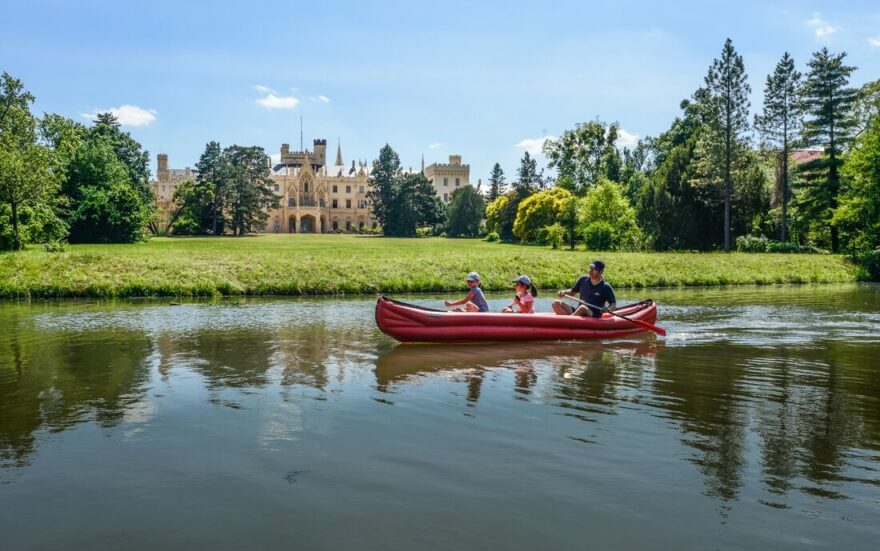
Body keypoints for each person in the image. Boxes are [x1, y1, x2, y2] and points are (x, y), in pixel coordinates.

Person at [552, 260, 616, 317]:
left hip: (593, 314)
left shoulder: (606, 287)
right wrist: (563, 292)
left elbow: (613, 304)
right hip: (578, 311)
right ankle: (569, 323)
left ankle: (569, 323)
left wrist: (608, 309)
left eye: (594, 269)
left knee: (583, 308)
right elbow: (572, 292)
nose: (590, 271)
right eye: (590, 268)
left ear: (601, 271)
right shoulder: (583, 279)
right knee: (556, 303)